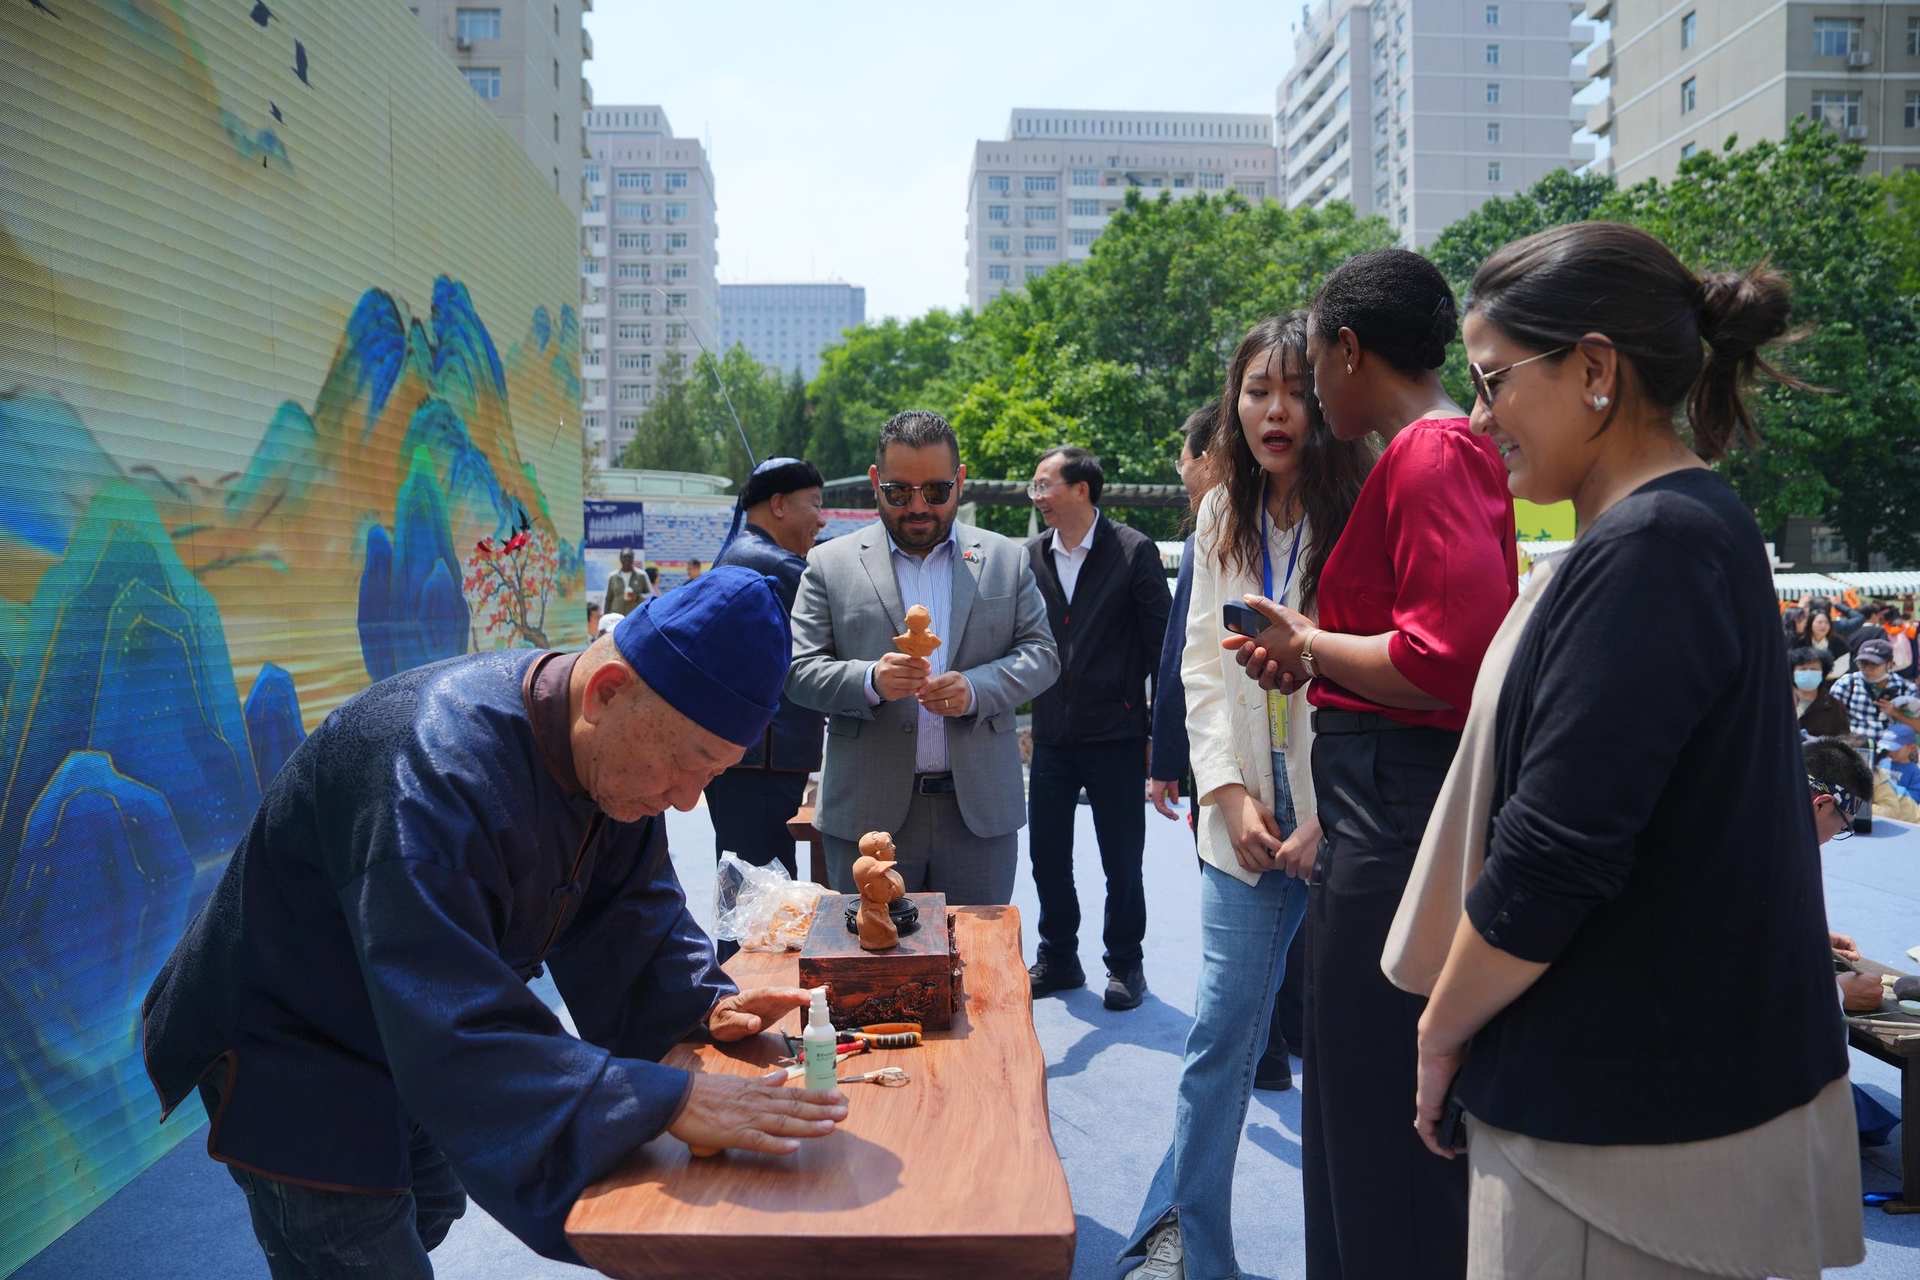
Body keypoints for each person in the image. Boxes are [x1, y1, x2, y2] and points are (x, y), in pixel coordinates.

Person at [140, 569, 850, 1273]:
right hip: (294, 1038)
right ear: (607, 691)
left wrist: (700, 1005)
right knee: (355, 1249)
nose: (689, 802)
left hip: (400, 1020)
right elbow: (449, 1012)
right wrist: (665, 1099)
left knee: (432, 1204)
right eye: (685, 765)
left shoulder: (613, 751)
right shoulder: (435, 770)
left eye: (712, 776)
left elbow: (632, 914)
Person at [1400, 222, 1861, 1278]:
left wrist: (1439, 1030)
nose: (1479, 417)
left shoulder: (1654, 544)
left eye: (1493, 380)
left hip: (1625, 1140)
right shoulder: (1678, 528)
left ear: (1595, 369)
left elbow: (1554, 855)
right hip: (1651, 1110)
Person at [1229, 250, 1516, 1278]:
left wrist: (1310, 648)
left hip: (1393, 823)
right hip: (1383, 811)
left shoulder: (1433, 452)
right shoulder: (1433, 449)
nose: (1305, 386)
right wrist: (1315, 650)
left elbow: (1449, 656)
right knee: (1358, 1112)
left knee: (1376, 1120)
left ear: (1348, 349)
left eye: (1310, 360)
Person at [1119, 313, 1372, 1280]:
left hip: (1348, 825)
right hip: (1245, 831)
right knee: (1221, 1039)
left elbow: (1383, 675)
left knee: (1349, 1059)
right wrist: (1224, 793)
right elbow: (1195, 670)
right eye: (1258, 390)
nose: (1276, 410)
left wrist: (1328, 817)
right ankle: (1196, 1257)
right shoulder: (1220, 512)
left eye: (1297, 390)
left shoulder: (1361, 510)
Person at [786, 411, 1059, 902]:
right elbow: (797, 670)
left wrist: (977, 688)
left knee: (976, 964)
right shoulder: (829, 564)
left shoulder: (1005, 559)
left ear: (961, 481)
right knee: (868, 968)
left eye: (935, 492)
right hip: (867, 816)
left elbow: (1041, 654)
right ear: (875, 482)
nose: (917, 507)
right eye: (898, 492)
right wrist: (870, 680)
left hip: (977, 816)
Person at [1024, 445, 1171, 1010]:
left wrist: (1162, 737)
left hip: (1118, 733)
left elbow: (1163, 651)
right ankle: (1058, 955)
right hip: (1053, 734)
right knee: (1047, 854)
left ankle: (1125, 964)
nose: (1038, 498)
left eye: (1045, 486)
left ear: (1080, 490)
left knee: (1121, 858)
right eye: (1035, 488)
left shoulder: (1133, 551)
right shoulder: (1030, 555)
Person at [704, 457, 830, 961]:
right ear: (778, 505)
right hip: (761, 757)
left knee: (742, 888)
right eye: (814, 505)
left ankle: (736, 994)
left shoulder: (738, 554)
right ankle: (752, 1006)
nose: (821, 519)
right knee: (764, 896)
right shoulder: (777, 566)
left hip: (746, 757)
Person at [1146, 405, 1221, 837]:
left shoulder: (1207, 537)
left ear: (1207, 461)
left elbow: (1181, 658)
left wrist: (1168, 760)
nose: (1183, 475)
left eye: (1182, 462)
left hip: (1221, 766)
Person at [1830, 636, 1920, 742]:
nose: (1867, 669)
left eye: (1874, 664)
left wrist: (1895, 713)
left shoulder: (1906, 688)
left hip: (1891, 751)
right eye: (1863, 663)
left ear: (1890, 664)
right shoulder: (1847, 683)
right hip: (1855, 750)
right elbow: (1829, 720)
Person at [1788, 645, 1850, 737]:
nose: (1808, 673)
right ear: (1792, 673)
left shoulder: (1834, 707)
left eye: (1814, 669)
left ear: (1823, 673)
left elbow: (1842, 739)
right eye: (1803, 669)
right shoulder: (1779, 702)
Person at [602, 547, 651, 616]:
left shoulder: (641, 575)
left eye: (629, 557)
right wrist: (605, 616)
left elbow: (650, 596)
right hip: (616, 617)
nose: (627, 559)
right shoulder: (613, 576)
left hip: (634, 616)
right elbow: (608, 599)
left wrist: (637, 597)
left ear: (633, 558)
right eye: (624, 557)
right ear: (620, 558)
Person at [1807, 606, 1848, 679]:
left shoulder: (1838, 642)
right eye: (1819, 622)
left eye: (1826, 622)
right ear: (1810, 623)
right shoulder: (1802, 641)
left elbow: (1842, 666)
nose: (1823, 626)